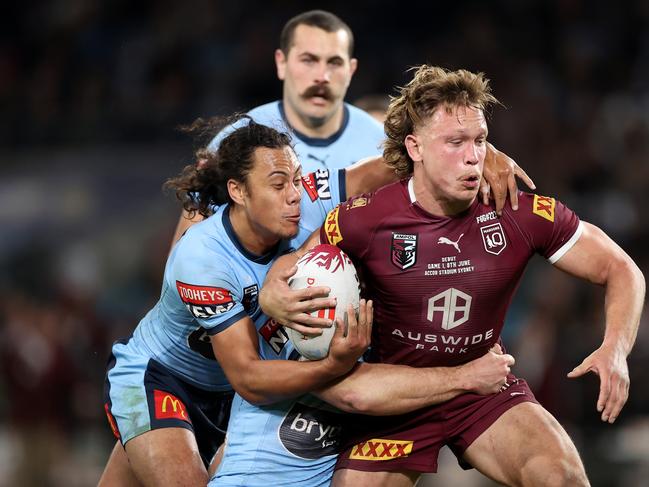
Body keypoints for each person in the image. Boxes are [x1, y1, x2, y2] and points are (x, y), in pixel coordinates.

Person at [267, 65, 645, 486]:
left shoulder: (515, 211)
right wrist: (272, 294)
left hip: (483, 389)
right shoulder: (365, 219)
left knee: (562, 476)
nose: (473, 156)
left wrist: (615, 348)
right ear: (415, 148)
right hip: (397, 398)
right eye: (455, 142)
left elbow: (621, 267)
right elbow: (293, 267)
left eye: (481, 141)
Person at [98, 115, 519, 487]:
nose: (295, 195)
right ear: (238, 192)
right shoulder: (202, 258)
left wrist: (486, 153)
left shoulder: (309, 201)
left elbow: (399, 163)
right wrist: (333, 366)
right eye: (278, 185)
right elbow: (248, 375)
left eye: (297, 179)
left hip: (233, 393)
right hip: (163, 380)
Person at [172, 9, 534, 244]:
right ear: (281, 64)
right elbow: (186, 254)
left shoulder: (381, 143)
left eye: (334, 62)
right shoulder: (239, 141)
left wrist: (485, 151)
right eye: (308, 60)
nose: (321, 76)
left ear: (352, 69)